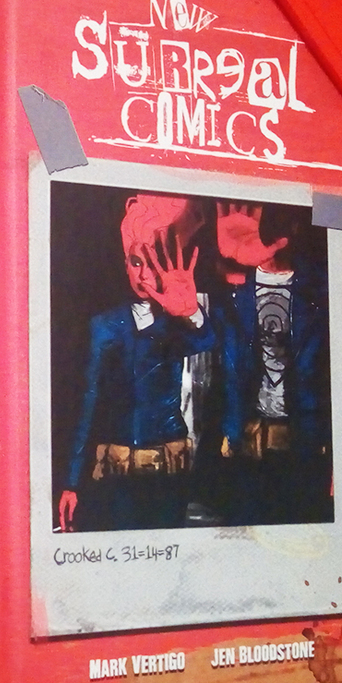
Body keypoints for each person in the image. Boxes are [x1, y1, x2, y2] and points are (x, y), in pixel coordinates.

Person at [57, 193, 214, 532]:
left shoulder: (177, 324)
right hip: (115, 482)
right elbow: (87, 402)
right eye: (136, 262)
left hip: (168, 479)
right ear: (125, 262)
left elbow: (203, 341)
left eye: (154, 262)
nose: (144, 275)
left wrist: (191, 313)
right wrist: (71, 482)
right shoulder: (105, 326)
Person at [198, 201, 332, 525]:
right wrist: (229, 262)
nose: (279, 228)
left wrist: (341, 458)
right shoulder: (232, 284)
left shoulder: (324, 286)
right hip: (245, 448)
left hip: (306, 449)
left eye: (288, 218)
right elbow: (199, 332)